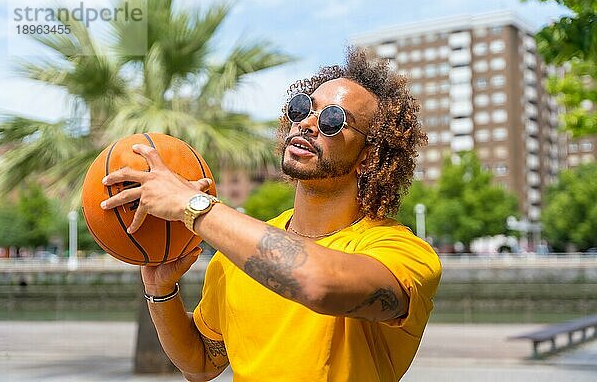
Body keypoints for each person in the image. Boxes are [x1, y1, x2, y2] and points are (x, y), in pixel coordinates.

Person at [101, 48, 442, 381]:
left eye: (333, 120)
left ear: (369, 158)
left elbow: (318, 285)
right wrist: (160, 290)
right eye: (303, 108)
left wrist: (192, 205)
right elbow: (201, 363)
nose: (308, 123)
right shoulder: (238, 250)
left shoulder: (403, 253)